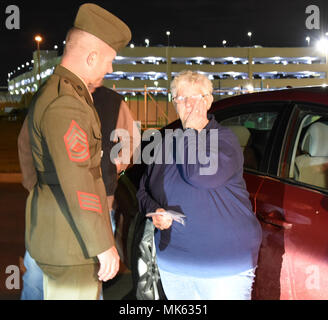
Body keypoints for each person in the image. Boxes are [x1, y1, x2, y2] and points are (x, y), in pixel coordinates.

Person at [21, 3, 131, 300]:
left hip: (57, 233)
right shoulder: (68, 103)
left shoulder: (56, 91)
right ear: (92, 56)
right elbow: (79, 178)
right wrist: (102, 244)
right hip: (73, 242)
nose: (110, 68)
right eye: (109, 60)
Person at [136, 70, 262, 300]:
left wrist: (192, 131)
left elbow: (199, 176)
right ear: (175, 104)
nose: (189, 104)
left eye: (196, 97)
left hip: (224, 266)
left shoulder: (224, 140)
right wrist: (154, 210)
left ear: (209, 101)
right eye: (181, 98)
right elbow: (144, 190)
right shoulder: (166, 144)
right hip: (173, 263)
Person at [18, 86, 140, 300]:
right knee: (37, 277)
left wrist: (115, 166)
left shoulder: (112, 101)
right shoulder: (49, 95)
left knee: (89, 281)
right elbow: (26, 144)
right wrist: (34, 185)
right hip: (53, 207)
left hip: (98, 207)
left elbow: (132, 141)